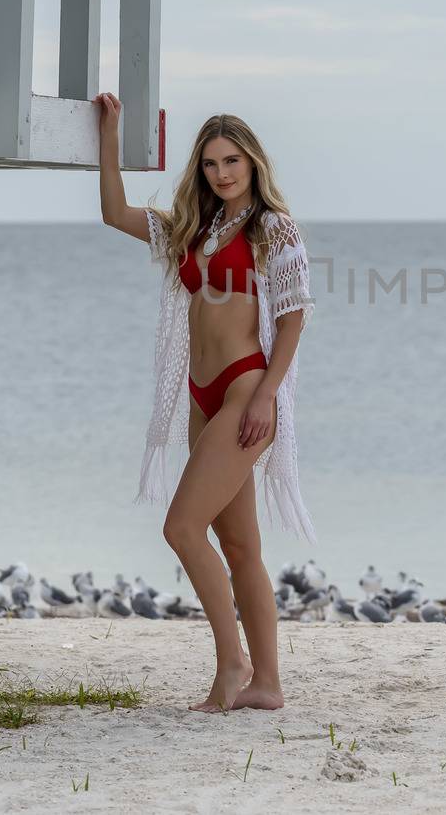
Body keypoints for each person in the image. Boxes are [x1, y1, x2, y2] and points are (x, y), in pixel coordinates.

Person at [94, 93, 317, 713]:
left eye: (232, 162)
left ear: (253, 164)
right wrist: (110, 135)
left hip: (246, 388)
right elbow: (114, 213)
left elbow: (295, 317)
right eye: (212, 163)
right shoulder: (196, 228)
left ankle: (232, 666)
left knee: (181, 527)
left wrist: (267, 397)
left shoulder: (273, 227)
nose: (222, 173)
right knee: (241, 547)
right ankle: (266, 685)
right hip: (202, 396)